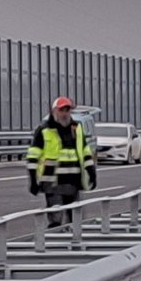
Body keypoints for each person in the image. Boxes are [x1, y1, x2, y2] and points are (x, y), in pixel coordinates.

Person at [27, 96, 95, 226]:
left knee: (75, 219)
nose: (65, 113)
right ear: (54, 111)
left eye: (67, 110)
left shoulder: (76, 128)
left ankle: (74, 243)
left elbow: (85, 151)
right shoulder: (44, 130)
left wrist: (91, 172)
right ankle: (55, 243)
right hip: (52, 183)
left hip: (73, 182)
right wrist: (33, 180)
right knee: (56, 220)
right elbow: (33, 156)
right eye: (62, 110)